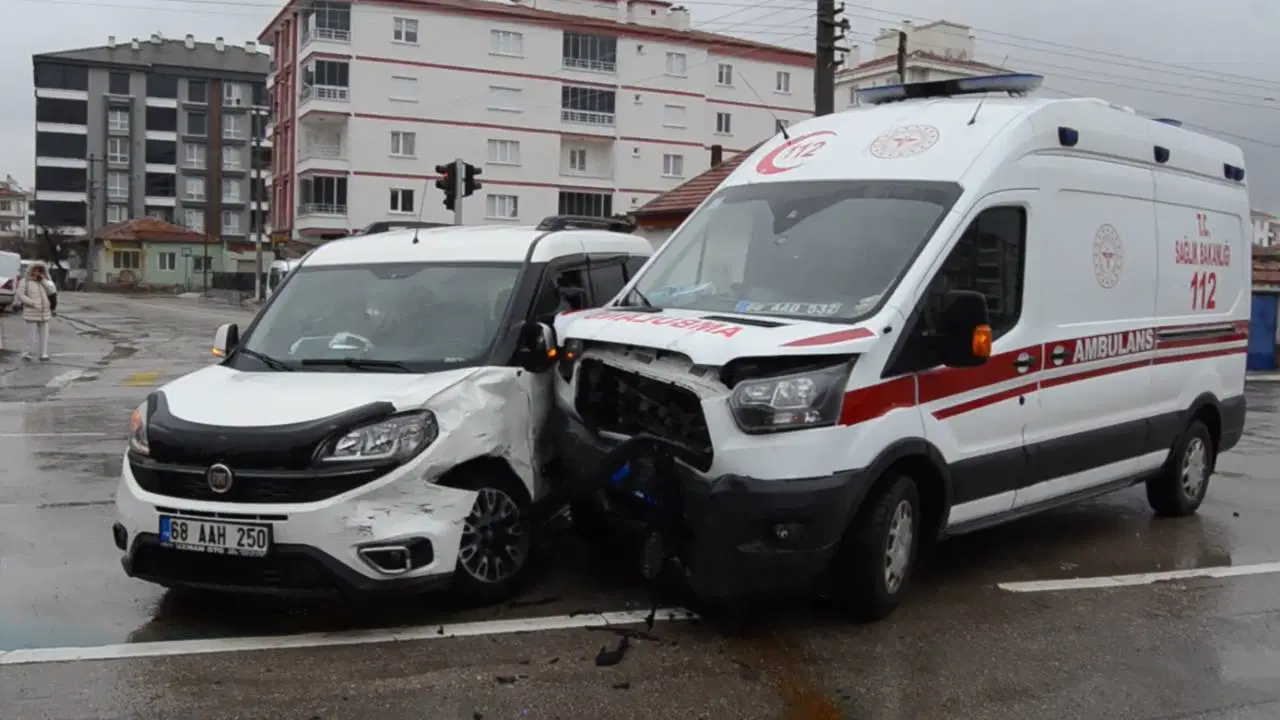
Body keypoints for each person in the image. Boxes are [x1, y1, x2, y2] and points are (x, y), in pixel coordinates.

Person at [16, 263, 54, 362]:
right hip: (32, 310)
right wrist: (32, 303)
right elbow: (21, 295)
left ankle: (43, 354)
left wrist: (44, 281)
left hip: (44, 311)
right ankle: (27, 353)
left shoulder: (43, 282)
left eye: (40, 270)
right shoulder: (25, 281)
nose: (38, 272)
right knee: (31, 334)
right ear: (31, 270)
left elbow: (51, 291)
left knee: (45, 334)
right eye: (36, 270)